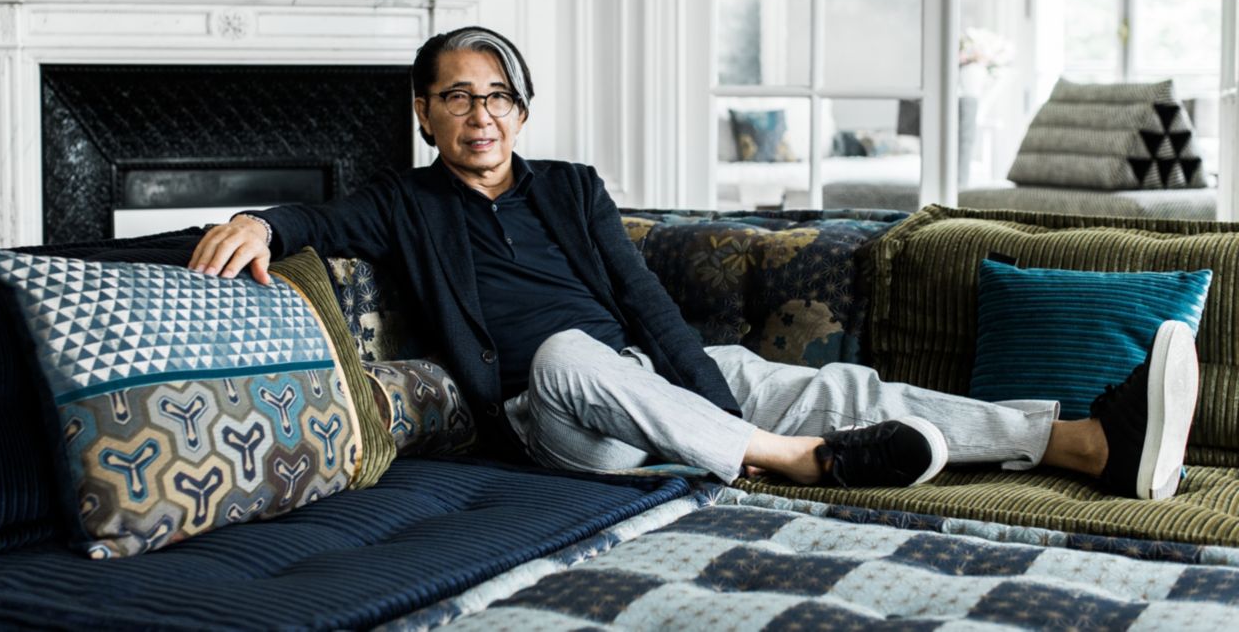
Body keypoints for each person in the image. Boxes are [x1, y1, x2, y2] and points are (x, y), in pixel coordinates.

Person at [188, 26, 1201, 499]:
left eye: (495, 95)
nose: (478, 113)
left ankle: (1077, 442)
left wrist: (706, 389)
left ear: (521, 110)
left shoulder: (571, 187)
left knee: (825, 384)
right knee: (565, 354)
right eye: (455, 96)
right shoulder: (403, 203)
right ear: (424, 113)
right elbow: (318, 214)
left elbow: (641, 296)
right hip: (554, 422)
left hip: (646, 383)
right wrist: (260, 225)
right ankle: (792, 461)